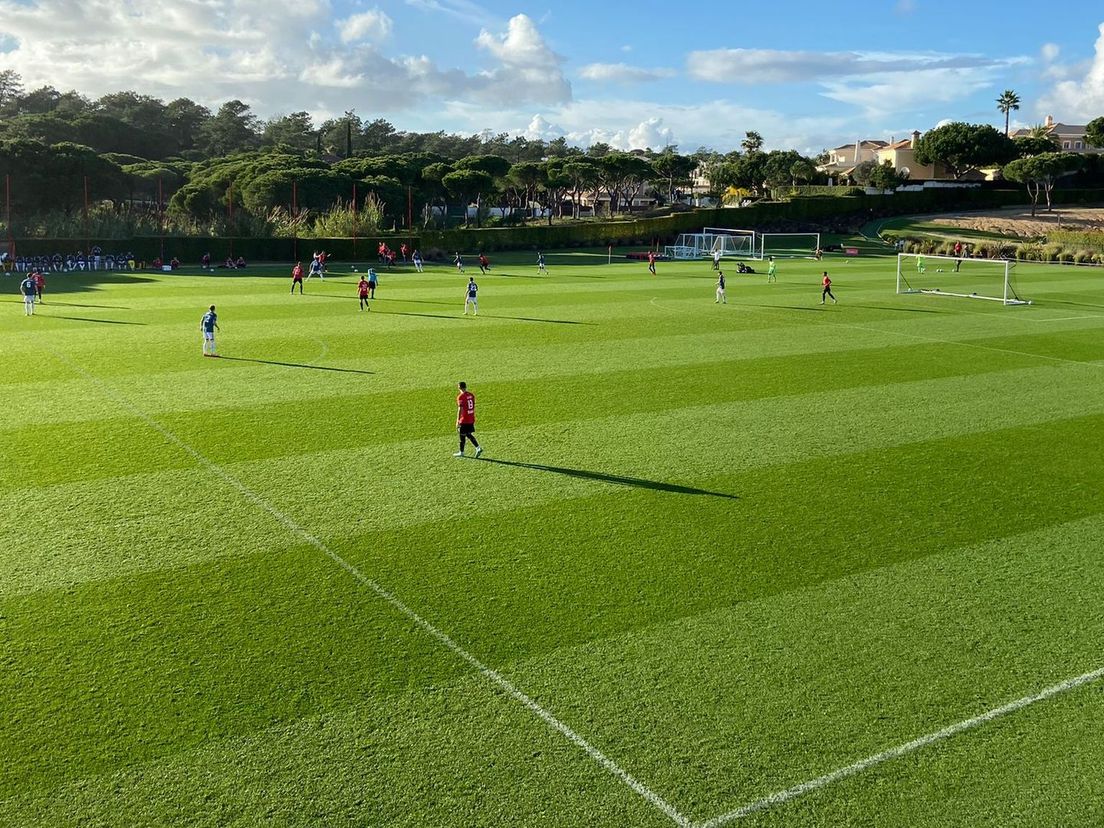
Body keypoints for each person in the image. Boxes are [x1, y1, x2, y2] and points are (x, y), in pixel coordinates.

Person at [454, 381, 482, 458]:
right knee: (468, 434)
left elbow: (460, 409)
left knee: (462, 435)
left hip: (464, 419)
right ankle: (477, 448)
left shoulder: (460, 397)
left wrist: (457, 420)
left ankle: (462, 452)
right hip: (471, 418)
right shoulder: (471, 395)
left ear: (459, 387)